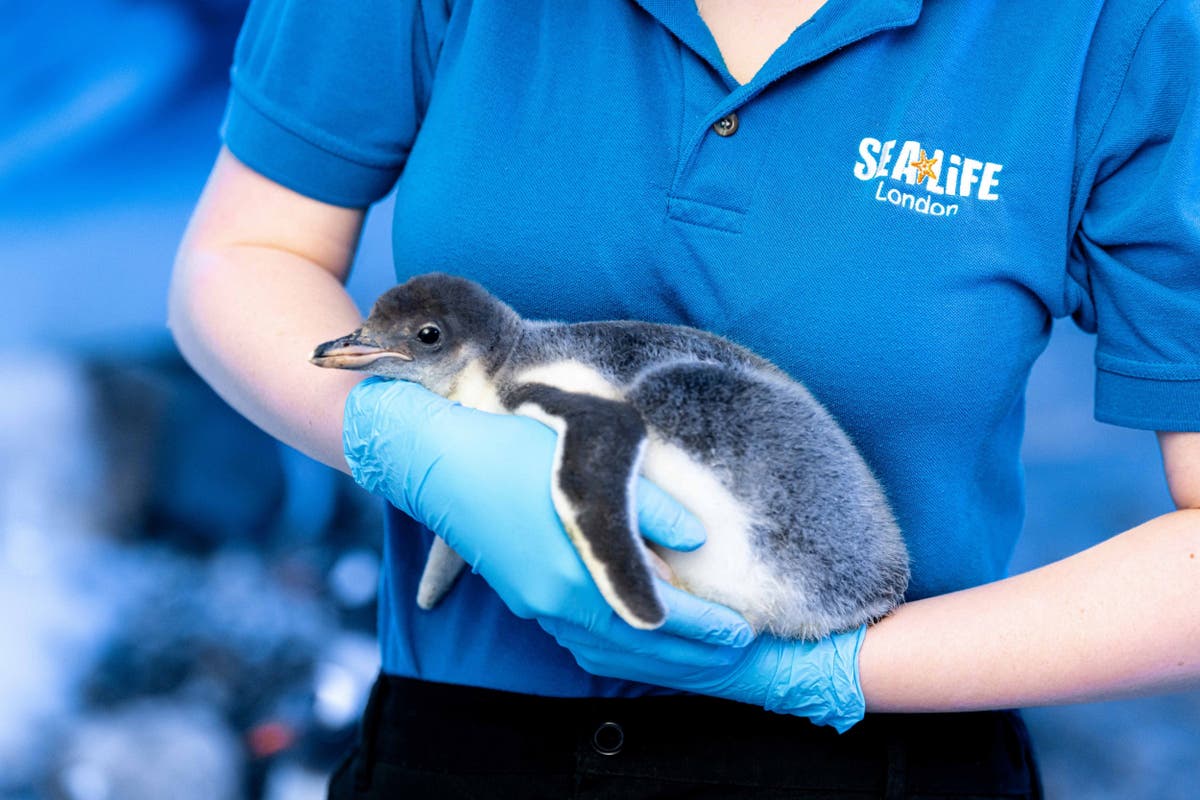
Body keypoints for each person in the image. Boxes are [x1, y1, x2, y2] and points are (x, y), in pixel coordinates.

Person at [169, 1, 1200, 797]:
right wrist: (413, 444)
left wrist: (820, 671)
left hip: (873, 754)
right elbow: (243, 253)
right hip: (456, 747)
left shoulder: (1120, 29)